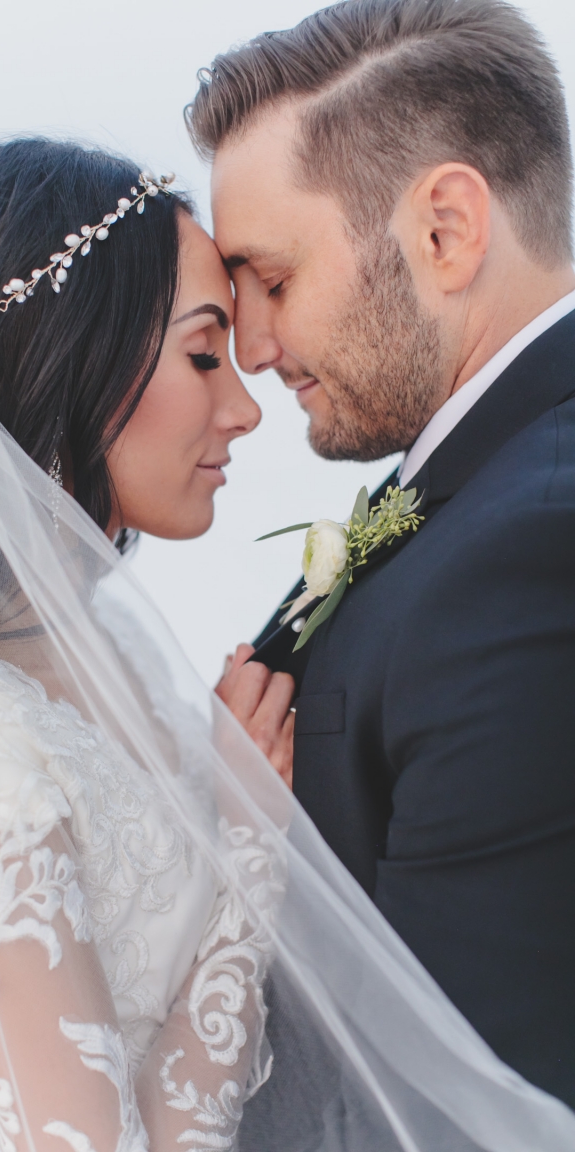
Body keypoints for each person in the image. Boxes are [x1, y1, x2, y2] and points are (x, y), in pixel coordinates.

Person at [0, 136, 574, 1152]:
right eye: (204, 353)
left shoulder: (94, 649)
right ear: (70, 359)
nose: (246, 404)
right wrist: (249, 849)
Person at [190, 0, 575, 1111]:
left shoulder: (535, 551)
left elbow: (462, 1106)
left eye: (272, 279)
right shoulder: (469, 500)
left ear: (445, 230)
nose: (253, 350)